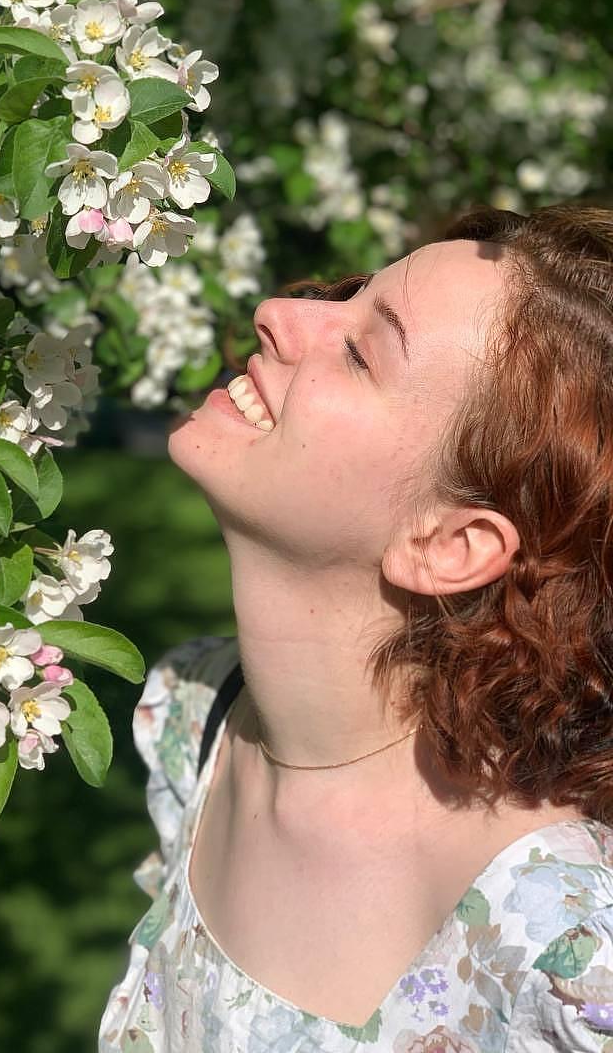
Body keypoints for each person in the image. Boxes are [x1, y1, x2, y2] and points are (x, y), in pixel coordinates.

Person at [98, 203, 613, 1052]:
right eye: (351, 295)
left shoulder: (557, 955)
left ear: (449, 546)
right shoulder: (195, 720)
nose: (277, 312)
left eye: (361, 352)